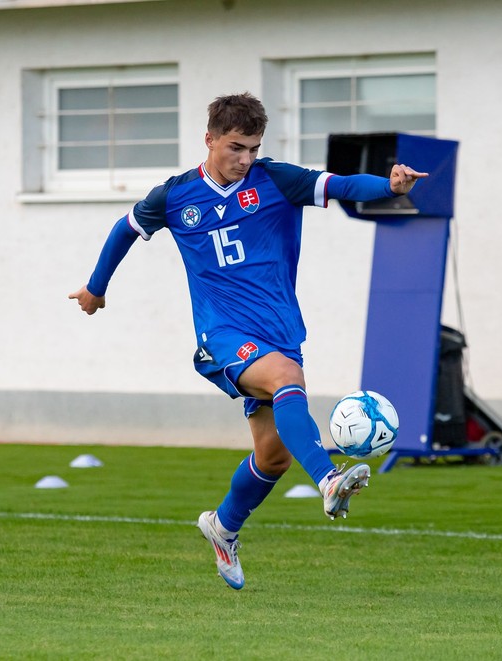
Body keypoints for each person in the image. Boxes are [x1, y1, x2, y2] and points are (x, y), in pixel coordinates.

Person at [69, 92, 427, 590]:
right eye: (237, 147)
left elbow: (342, 185)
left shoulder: (276, 180)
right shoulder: (174, 196)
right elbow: (124, 229)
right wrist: (95, 288)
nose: (245, 159)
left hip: (279, 332)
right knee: (285, 378)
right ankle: (328, 479)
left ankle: (223, 526)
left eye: (254, 149)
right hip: (221, 336)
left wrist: (388, 185)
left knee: (273, 456)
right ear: (210, 139)